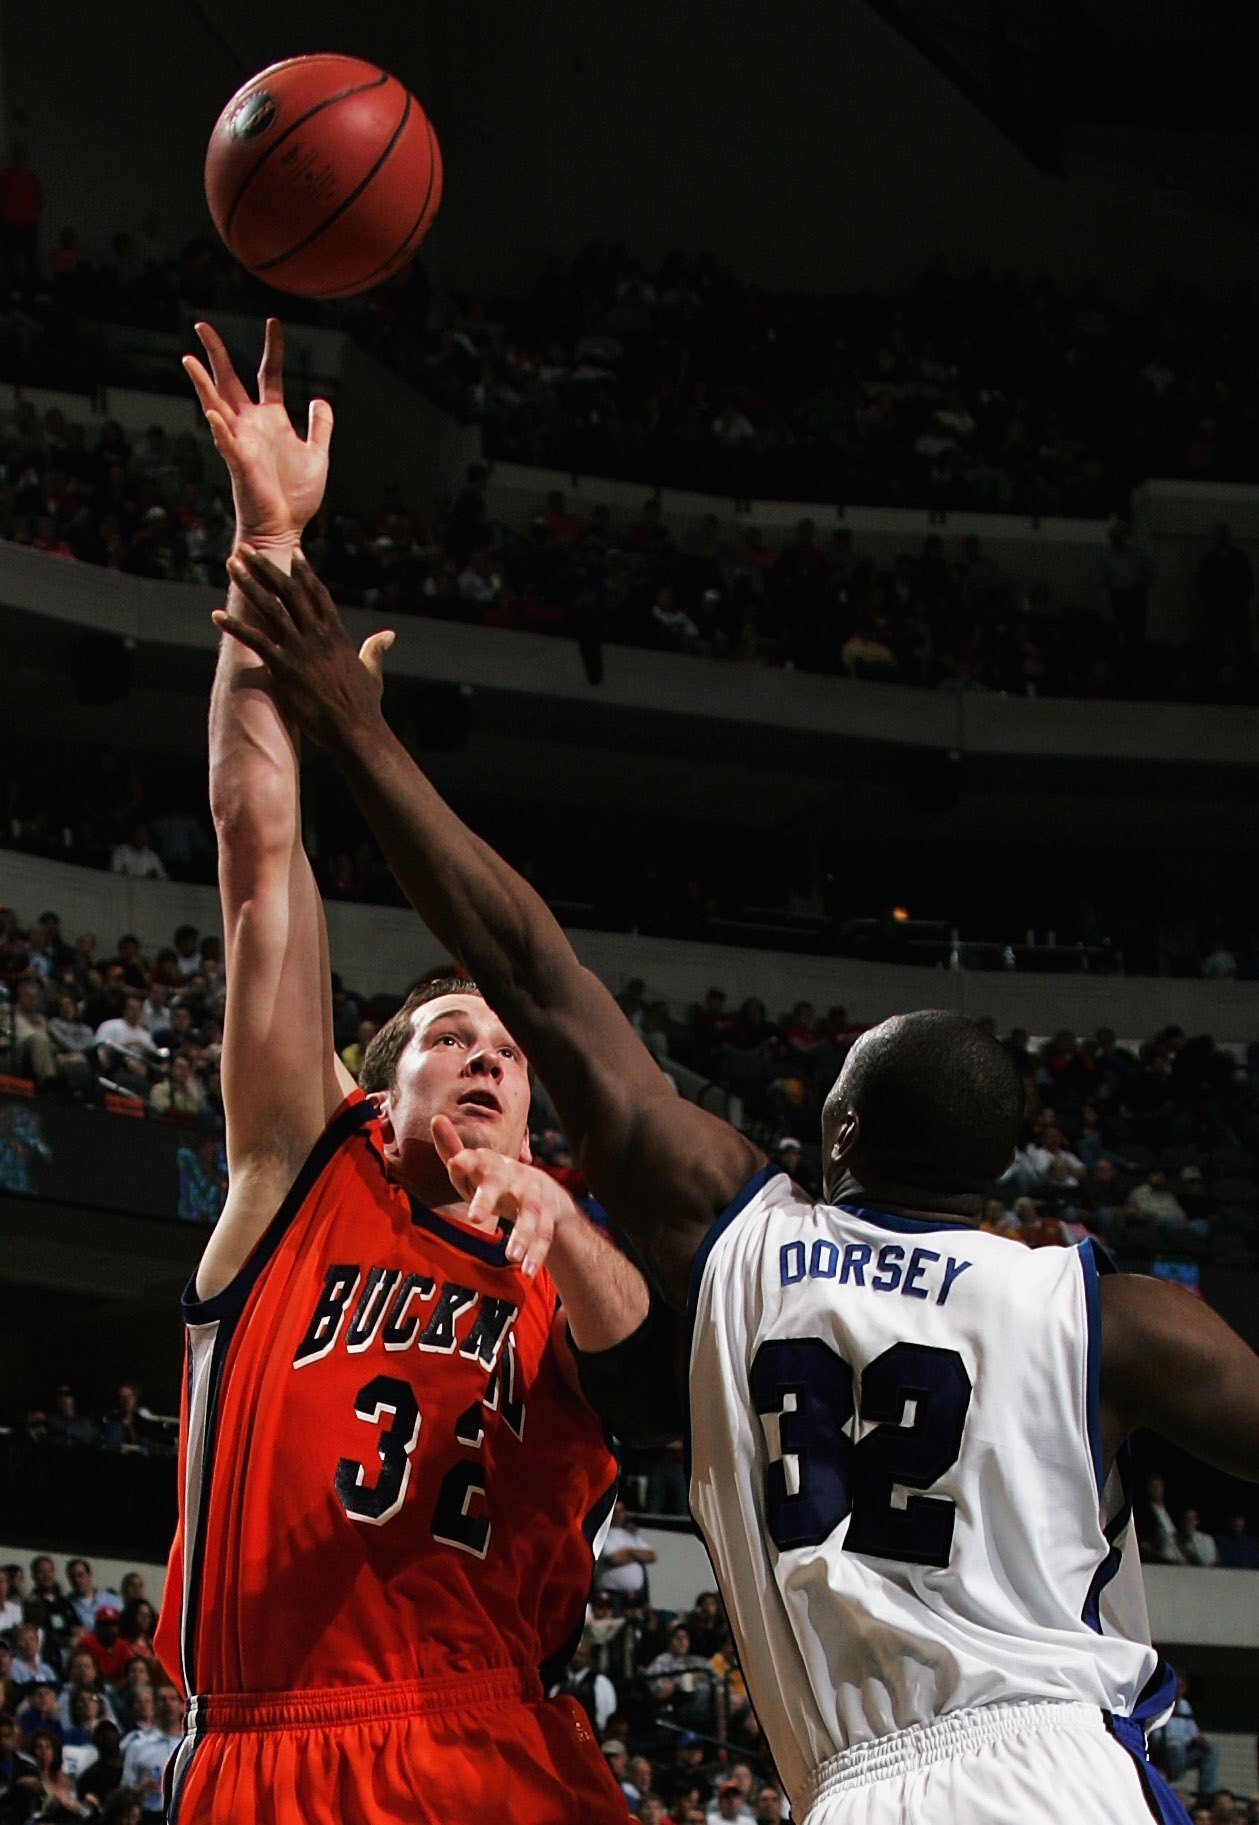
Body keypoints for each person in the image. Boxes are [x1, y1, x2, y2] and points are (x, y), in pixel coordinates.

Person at [221, 498, 1259, 1825]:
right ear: (1003, 1180)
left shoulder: (746, 1238)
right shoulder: (1107, 1311)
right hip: (1057, 1768)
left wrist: (356, 732)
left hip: (857, 1791)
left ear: (837, 1136)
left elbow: (536, 967)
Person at [156, 318, 661, 1825]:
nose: (494, 1057)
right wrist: (269, 539)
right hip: (281, 1749)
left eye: (509, 1047)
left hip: (498, 1737)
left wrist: (568, 1226)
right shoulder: (302, 1171)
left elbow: (651, 1370)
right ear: (377, 1087)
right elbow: (259, 852)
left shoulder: (562, 1255)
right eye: (454, 1034)